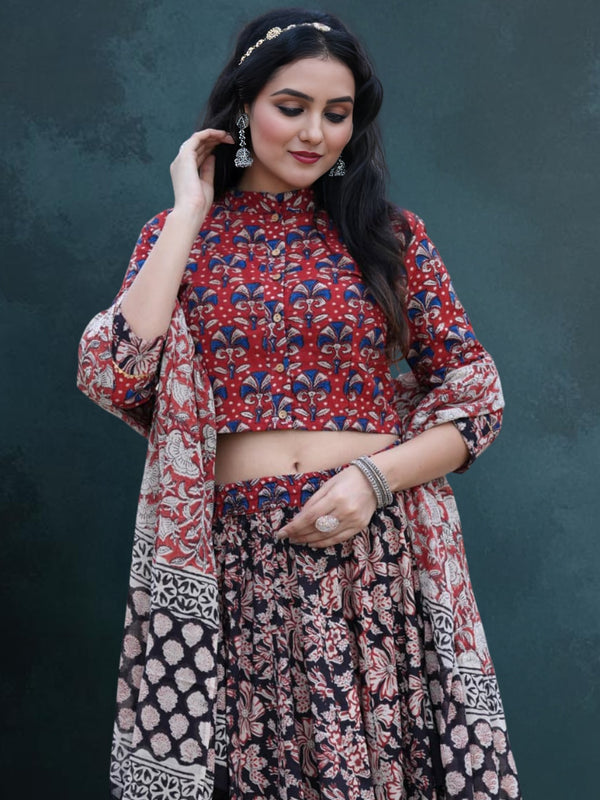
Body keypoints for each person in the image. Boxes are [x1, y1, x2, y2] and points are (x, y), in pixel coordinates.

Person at [77, 8, 521, 800]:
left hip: (370, 556)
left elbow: (474, 398)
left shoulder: (389, 237)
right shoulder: (176, 237)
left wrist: (373, 482)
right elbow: (115, 374)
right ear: (244, 106)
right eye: (292, 106)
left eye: (337, 113)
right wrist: (189, 210)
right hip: (233, 564)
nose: (316, 132)